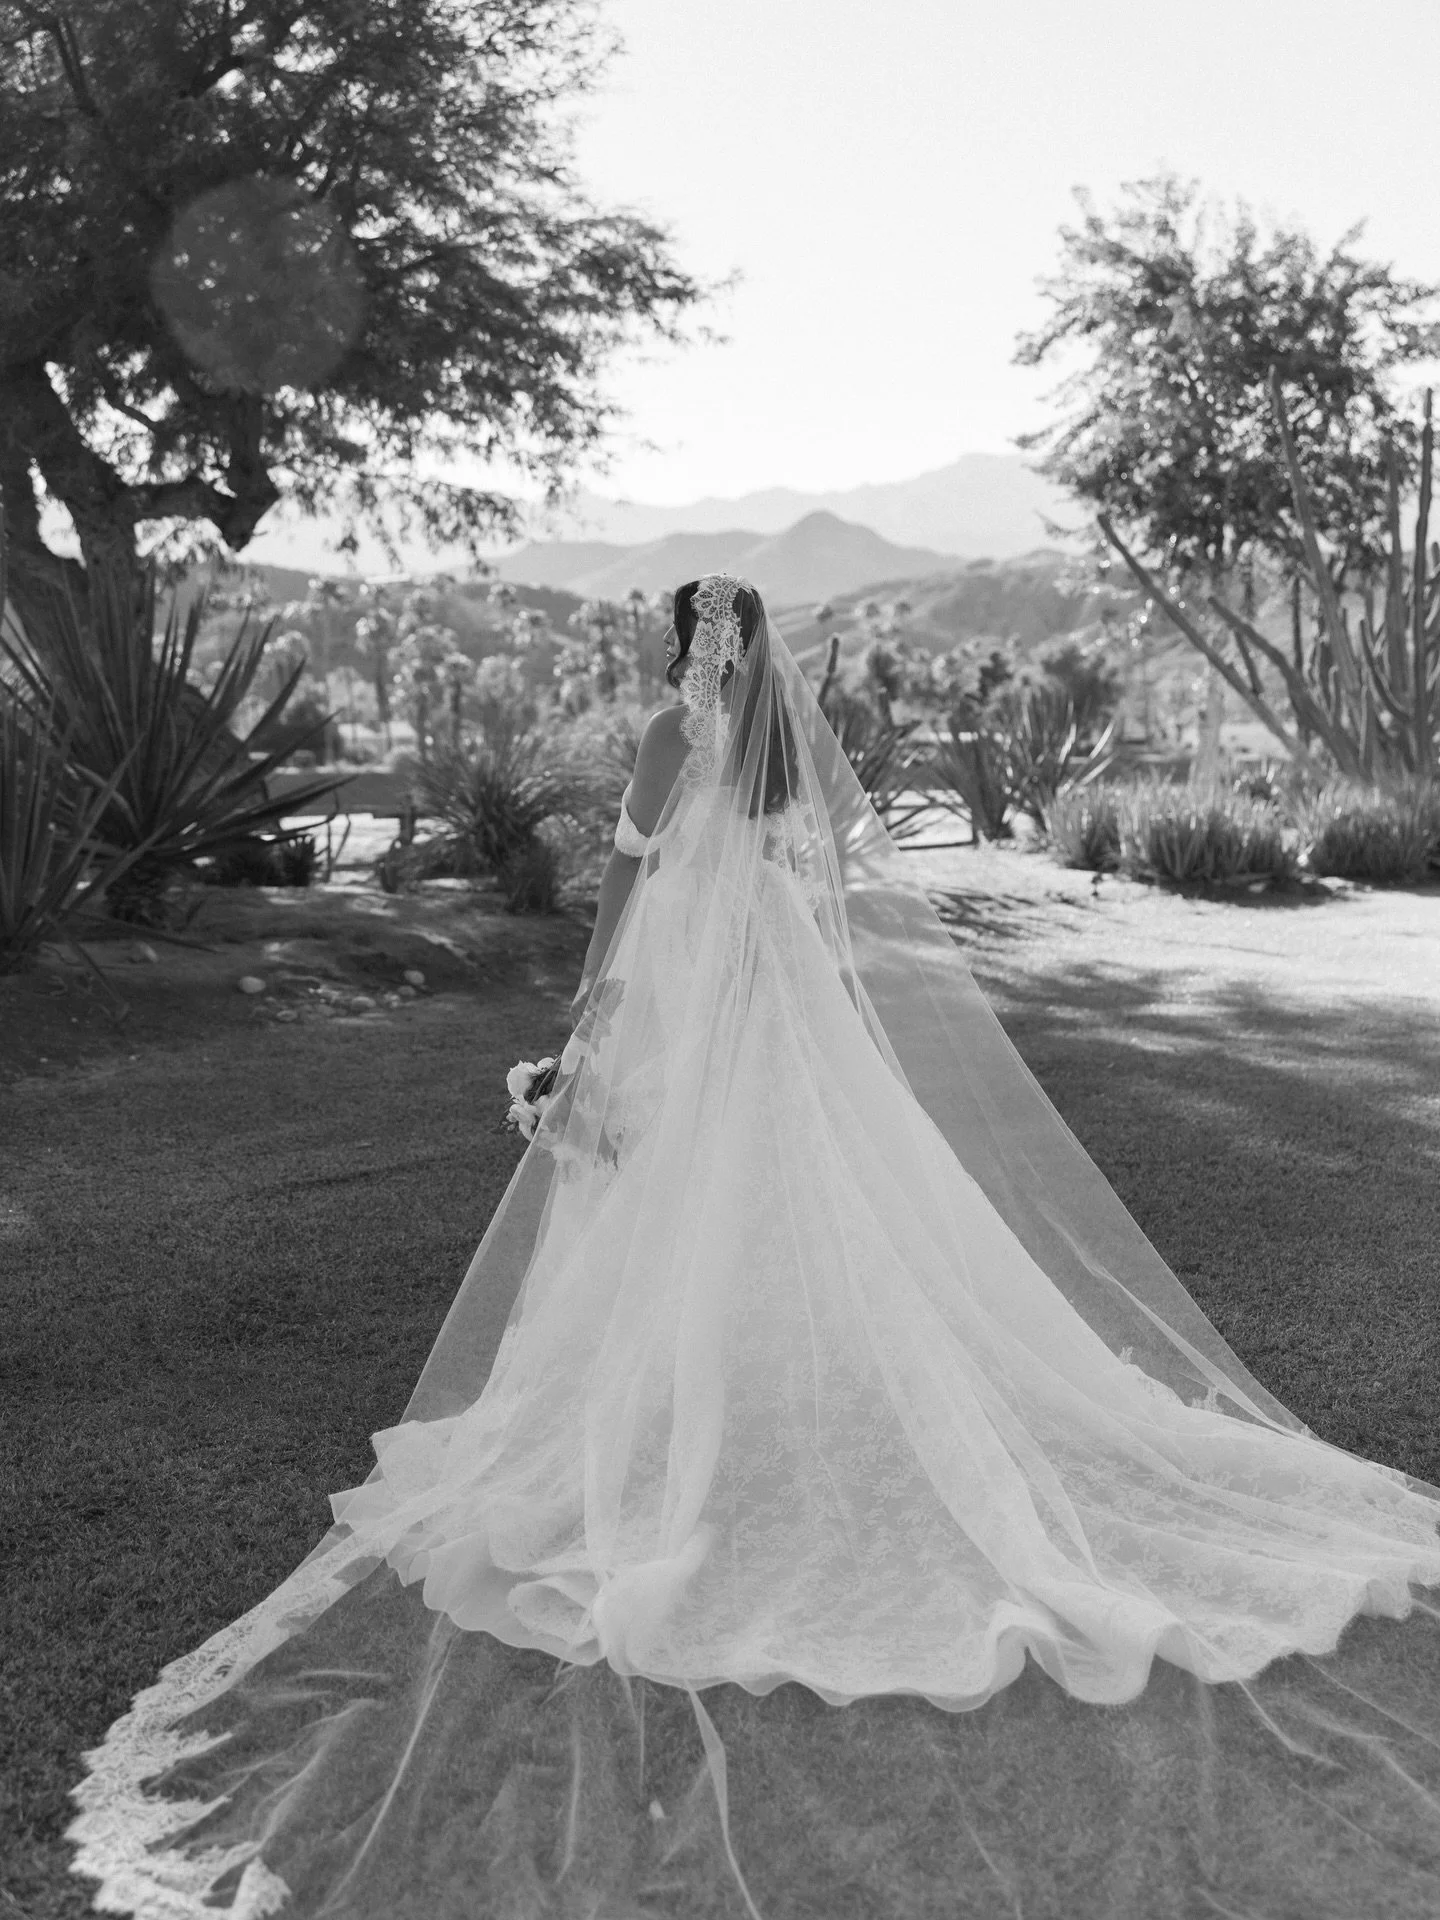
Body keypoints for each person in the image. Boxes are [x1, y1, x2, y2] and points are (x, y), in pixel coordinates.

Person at [68, 575, 1440, 1920]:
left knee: (692, 1192)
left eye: (683, 635)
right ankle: (793, 1378)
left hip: (688, 980)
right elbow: (821, 867)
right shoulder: (785, 741)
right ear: (763, 649)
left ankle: (704, 1401)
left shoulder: (676, 734)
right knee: (814, 1184)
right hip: (781, 985)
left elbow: (625, 874)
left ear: (687, 644)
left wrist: (589, 1013)